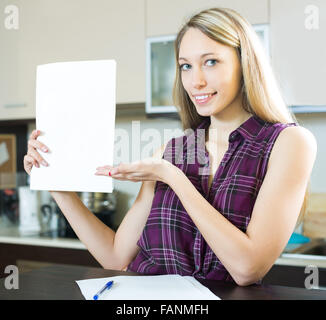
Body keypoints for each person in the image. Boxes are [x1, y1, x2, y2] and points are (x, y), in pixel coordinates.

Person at [24, 7, 317, 286]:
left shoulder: (288, 143)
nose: (196, 81)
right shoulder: (170, 151)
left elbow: (247, 269)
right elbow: (114, 256)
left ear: (245, 63)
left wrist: (172, 177)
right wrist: (56, 183)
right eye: (186, 66)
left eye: (211, 62)